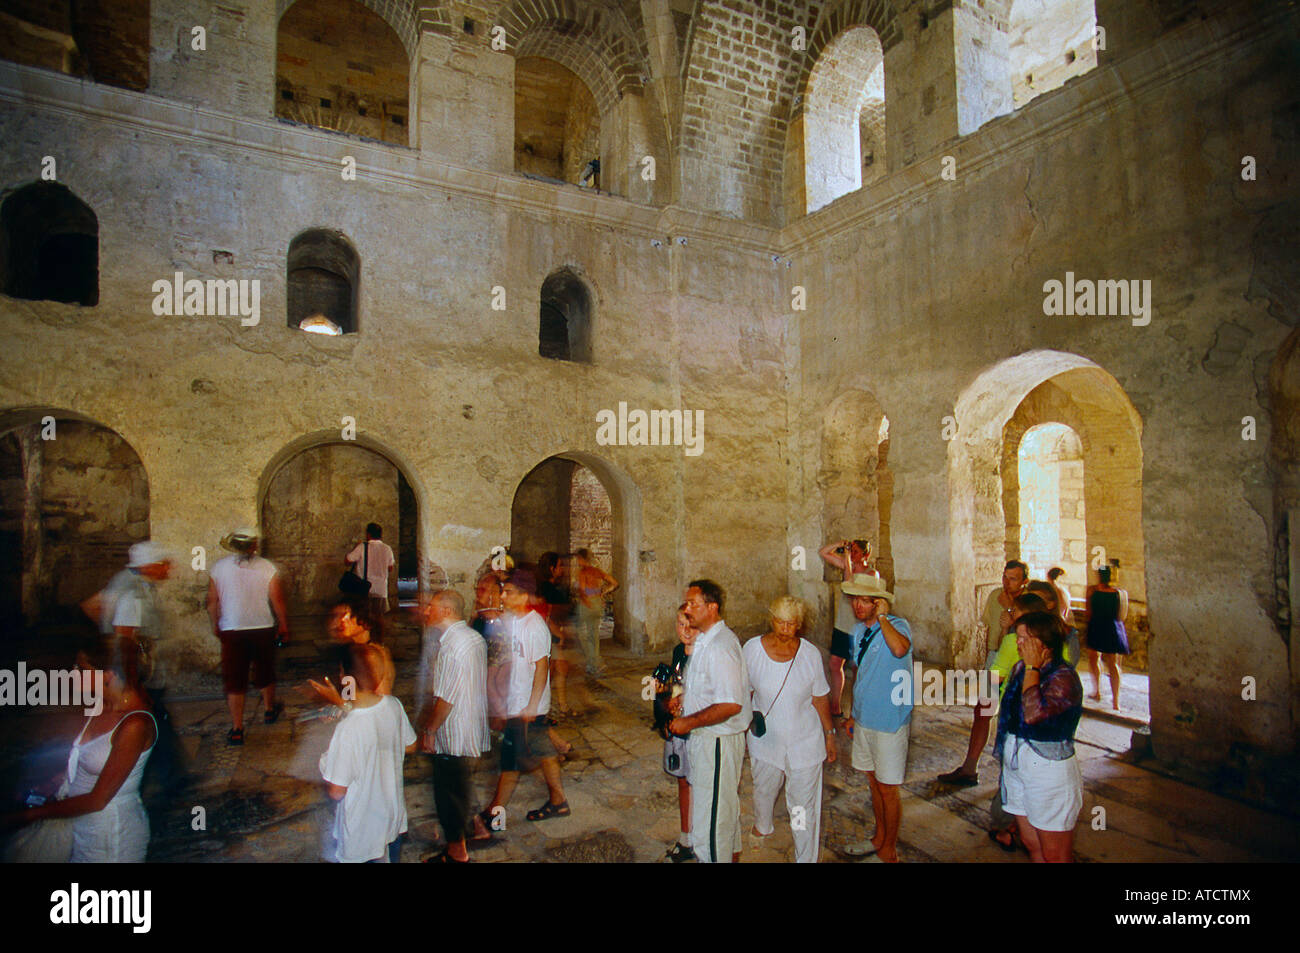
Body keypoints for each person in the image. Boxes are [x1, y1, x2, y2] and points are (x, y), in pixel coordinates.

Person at [4, 636, 158, 862]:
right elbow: (88, 760)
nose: (73, 672)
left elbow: (98, 799)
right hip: (83, 828)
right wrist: (57, 782)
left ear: (107, 674)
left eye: (81, 668)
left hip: (112, 834)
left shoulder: (135, 724)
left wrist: (29, 815)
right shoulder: (100, 706)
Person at [743, 595, 835, 863]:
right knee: (763, 789)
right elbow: (742, 692)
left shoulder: (810, 655)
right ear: (771, 620)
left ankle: (804, 857)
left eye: (791, 624)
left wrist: (829, 735)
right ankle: (763, 825)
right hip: (765, 740)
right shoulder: (752, 650)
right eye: (780, 622)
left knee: (801, 806)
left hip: (804, 742)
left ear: (799, 625)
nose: (785, 629)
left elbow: (819, 697)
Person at [667, 579, 751, 864]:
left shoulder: (720, 646)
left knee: (709, 824)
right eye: (687, 603)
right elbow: (707, 687)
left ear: (712, 608)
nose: (687, 609)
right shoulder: (704, 639)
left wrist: (688, 722)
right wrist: (685, 700)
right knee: (722, 811)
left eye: (693, 604)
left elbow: (730, 703)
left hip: (717, 742)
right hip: (707, 740)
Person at [938, 590, 1050, 790]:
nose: (1010, 613)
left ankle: (1008, 797)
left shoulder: (1013, 642)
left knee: (1012, 751)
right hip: (1038, 709)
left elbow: (997, 673)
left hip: (1014, 704)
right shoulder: (1054, 642)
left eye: (1014, 611)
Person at [995, 611, 1084, 863]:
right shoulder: (1020, 668)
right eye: (1018, 637)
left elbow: (1033, 713)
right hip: (1018, 762)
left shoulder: (1064, 677)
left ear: (1045, 644)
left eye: (1025, 639)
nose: (1018, 644)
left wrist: (1033, 667)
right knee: (1032, 843)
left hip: (1048, 770)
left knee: (1055, 853)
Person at [483, 568, 570, 824]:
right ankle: (559, 801)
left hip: (527, 708)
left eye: (508, 592)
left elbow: (542, 668)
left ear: (523, 596)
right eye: (503, 591)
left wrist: (532, 707)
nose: (503, 596)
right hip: (516, 703)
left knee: (510, 765)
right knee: (545, 754)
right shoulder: (510, 622)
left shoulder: (535, 627)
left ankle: (493, 814)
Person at [319, 642, 416, 863]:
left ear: (347, 681)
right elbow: (410, 745)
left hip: (361, 833)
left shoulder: (348, 730)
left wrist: (326, 762)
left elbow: (336, 791)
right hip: (391, 821)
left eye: (342, 672)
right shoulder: (393, 705)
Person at [841, 573, 911, 863]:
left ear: (879, 603)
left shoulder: (898, 626)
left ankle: (889, 850)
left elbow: (900, 649)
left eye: (866, 600)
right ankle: (879, 837)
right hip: (865, 717)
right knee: (873, 783)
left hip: (890, 721)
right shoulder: (857, 632)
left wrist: (883, 619)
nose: (858, 605)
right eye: (855, 599)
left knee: (888, 788)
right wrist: (852, 714)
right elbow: (860, 672)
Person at [418, 590, 490, 864]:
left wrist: (430, 731)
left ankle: (457, 853)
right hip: (470, 726)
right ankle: (465, 839)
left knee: (447, 794)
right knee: (460, 787)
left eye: (431, 607)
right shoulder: (472, 637)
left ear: (447, 611)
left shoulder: (451, 645)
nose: (426, 611)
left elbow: (446, 697)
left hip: (453, 731)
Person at [207, 527, 290, 745]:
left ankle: (237, 728)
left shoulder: (218, 568)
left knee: (235, 680)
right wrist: (283, 624)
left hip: (232, 629)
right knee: (265, 671)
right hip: (262, 627)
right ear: (254, 545)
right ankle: (269, 710)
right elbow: (277, 600)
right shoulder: (267, 567)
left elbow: (212, 602)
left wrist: (216, 624)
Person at [655, 604, 697, 862]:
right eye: (681, 625)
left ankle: (701, 839)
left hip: (698, 728)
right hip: (679, 727)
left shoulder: (704, 655)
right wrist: (669, 700)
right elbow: (676, 685)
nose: (686, 631)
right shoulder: (678, 652)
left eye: (692, 626)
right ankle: (685, 838)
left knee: (699, 783)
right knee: (683, 781)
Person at [817, 538, 873, 721]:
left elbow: (849, 585)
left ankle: (856, 711)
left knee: (858, 668)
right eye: (851, 550)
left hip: (858, 626)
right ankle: (835, 705)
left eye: (856, 551)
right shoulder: (847, 564)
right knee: (835, 663)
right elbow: (823, 552)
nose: (852, 554)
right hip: (842, 623)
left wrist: (848, 560)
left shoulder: (872, 574)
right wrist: (839, 545)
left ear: (865, 555)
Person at [1083, 565, 1130, 710]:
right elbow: (1122, 615)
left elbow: (1088, 611)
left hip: (1097, 625)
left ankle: (1097, 691)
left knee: (1094, 658)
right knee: (1112, 663)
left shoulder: (1092, 590)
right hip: (1113, 627)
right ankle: (1116, 701)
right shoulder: (1120, 593)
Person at [538, 552, 579, 716]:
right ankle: (543, 708)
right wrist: (559, 633)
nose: (562, 569)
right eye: (560, 565)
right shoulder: (546, 588)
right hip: (548, 633)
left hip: (553, 632)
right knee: (551, 670)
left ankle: (561, 706)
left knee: (560, 668)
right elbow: (546, 615)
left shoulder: (553, 586)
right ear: (551, 568)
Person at [345, 523, 396, 642]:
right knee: (379, 618)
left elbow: (347, 560)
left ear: (368, 534)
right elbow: (390, 567)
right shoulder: (387, 548)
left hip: (364, 588)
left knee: (362, 617)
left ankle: (363, 642)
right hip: (381, 589)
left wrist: (355, 548)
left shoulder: (362, 547)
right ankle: (379, 642)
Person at [573, 548, 616, 677]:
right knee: (594, 635)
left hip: (587, 603)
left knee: (581, 633)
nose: (577, 561)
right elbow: (614, 583)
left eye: (578, 559)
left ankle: (594, 662)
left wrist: (585, 601)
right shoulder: (597, 571)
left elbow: (582, 590)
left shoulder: (583, 572)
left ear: (582, 559)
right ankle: (593, 665)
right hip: (597, 602)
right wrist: (603, 593)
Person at [982, 560, 1028, 664]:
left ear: (1025, 581)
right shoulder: (995, 595)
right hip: (994, 653)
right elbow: (989, 628)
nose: (1006, 583)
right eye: (1005, 577)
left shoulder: (1029, 600)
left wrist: (1009, 608)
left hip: (1018, 654)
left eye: (1013, 579)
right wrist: (987, 659)